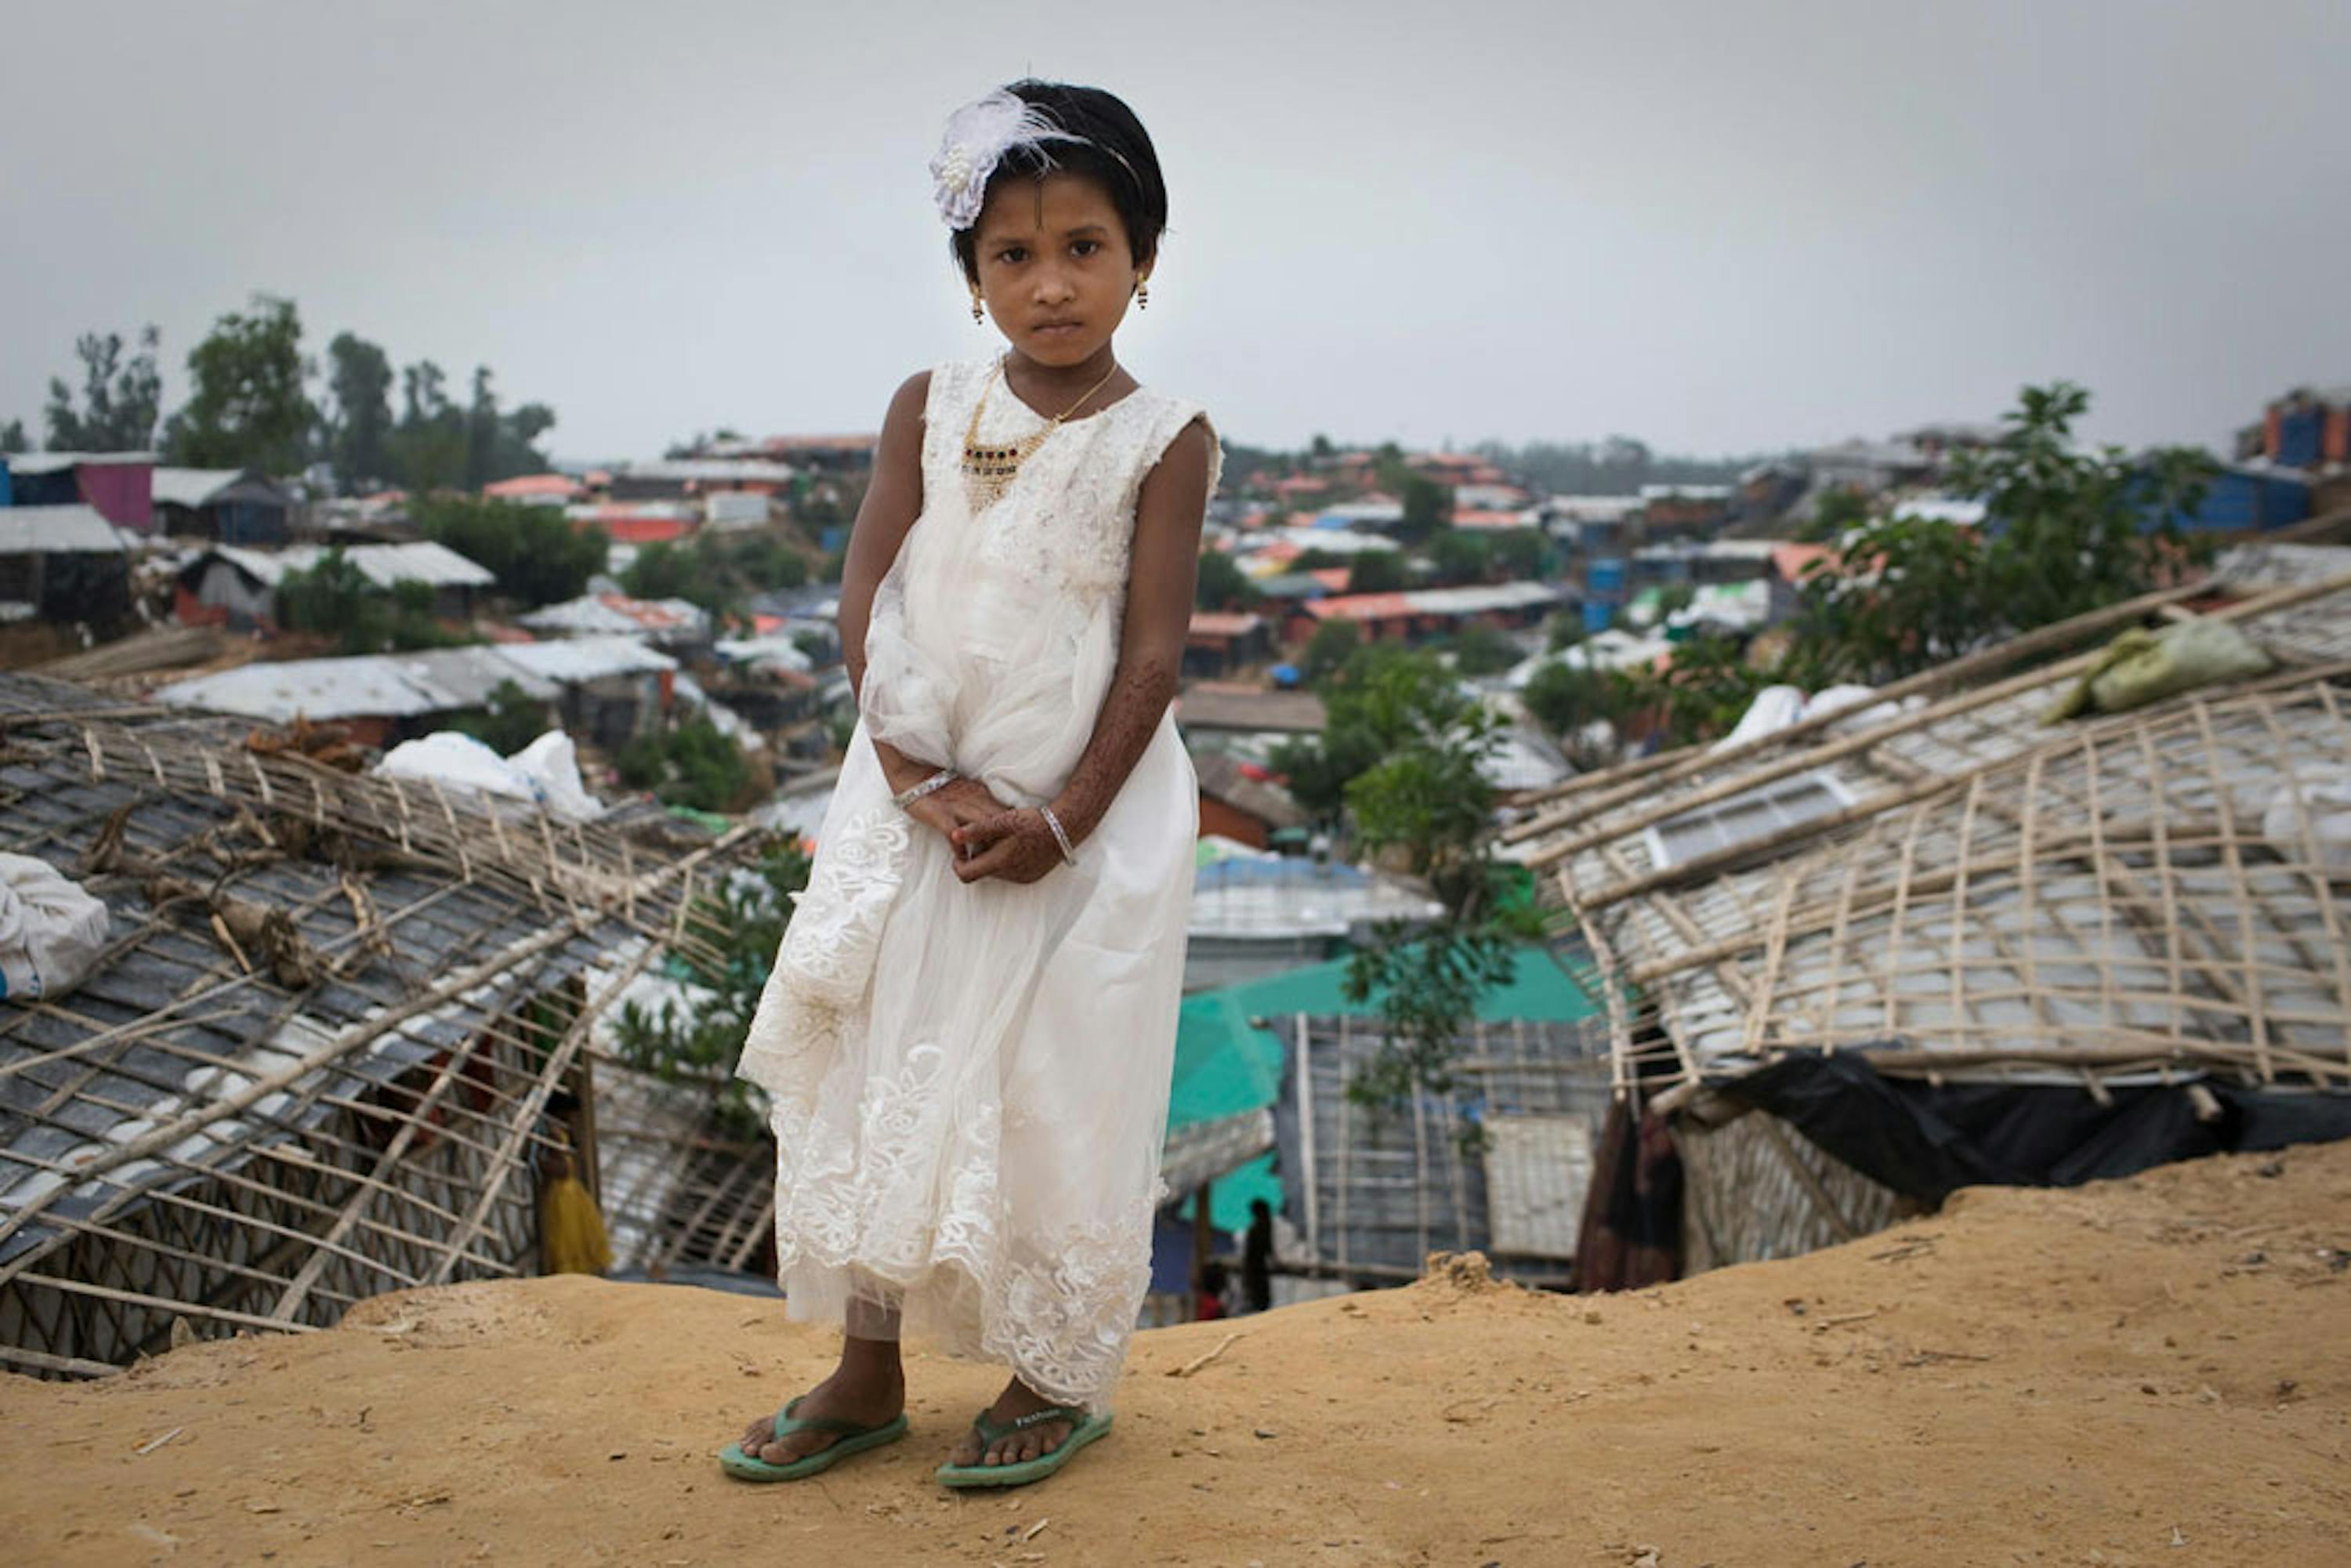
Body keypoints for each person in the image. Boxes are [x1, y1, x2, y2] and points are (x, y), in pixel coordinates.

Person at [719, 80, 1218, 1491]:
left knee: (1056, 1078)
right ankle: (865, 1371)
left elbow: (1157, 653)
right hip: (913, 801)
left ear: (1144, 260)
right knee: (884, 1063)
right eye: (1013, 254)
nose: (1051, 284)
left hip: (1083, 819)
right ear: (972, 274)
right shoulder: (928, 408)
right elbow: (865, 594)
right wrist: (911, 776)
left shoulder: (1165, 437)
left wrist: (1062, 822)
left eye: (1085, 248)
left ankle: (1055, 1372)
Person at [1240, 1197, 1273, 1313]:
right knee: (1259, 1296)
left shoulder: (1258, 1228)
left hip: (1255, 1267)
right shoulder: (1264, 1226)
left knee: (1256, 1295)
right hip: (1258, 1267)